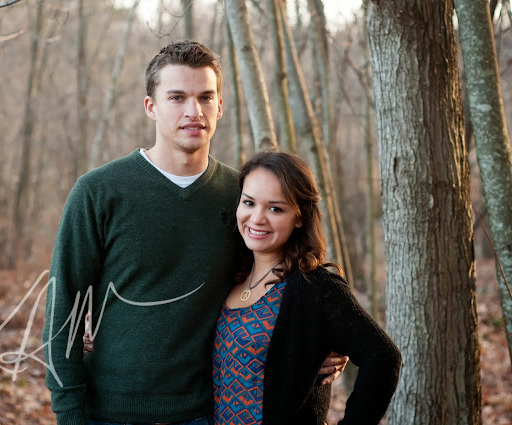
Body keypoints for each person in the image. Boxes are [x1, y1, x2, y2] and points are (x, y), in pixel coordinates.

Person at [43, 40, 346, 425]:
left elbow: (284, 279)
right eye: (177, 97)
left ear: (219, 106)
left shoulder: (243, 199)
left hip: (206, 413)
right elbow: (62, 316)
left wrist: (326, 337)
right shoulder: (99, 192)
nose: (194, 111)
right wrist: (70, 415)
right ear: (151, 107)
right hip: (109, 413)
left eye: (205, 97)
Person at [211, 151, 401, 425]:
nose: (257, 218)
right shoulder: (229, 277)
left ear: (299, 217)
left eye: (275, 209)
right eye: (249, 203)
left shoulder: (314, 287)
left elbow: (383, 357)